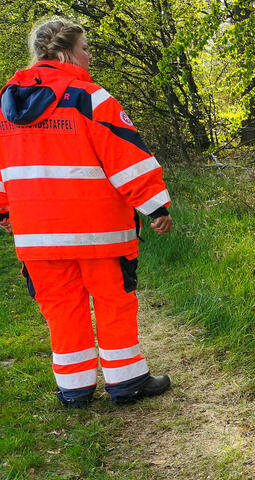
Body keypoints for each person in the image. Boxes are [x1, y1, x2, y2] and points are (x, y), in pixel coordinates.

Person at [0, 18, 173, 408]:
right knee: (114, 304)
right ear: (65, 52)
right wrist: (155, 205)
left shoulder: (4, 106)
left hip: (37, 236)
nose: (89, 56)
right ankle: (126, 383)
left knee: (61, 311)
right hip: (99, 232)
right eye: (84, 48)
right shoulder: (89, 98)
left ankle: (75, 390)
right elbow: (125, 155)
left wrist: (4, 210)